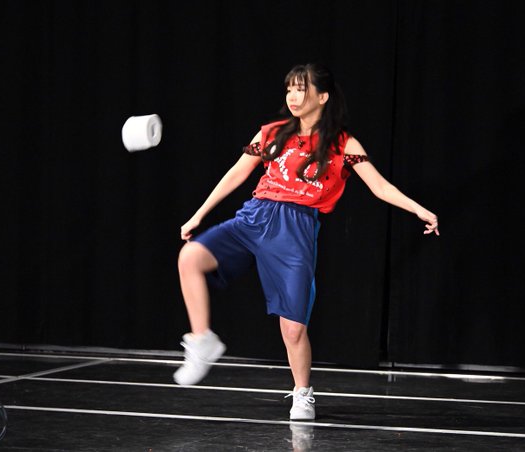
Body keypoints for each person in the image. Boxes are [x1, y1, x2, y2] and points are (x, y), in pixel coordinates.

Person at [173, 63, 439, 421]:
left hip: (294, 230)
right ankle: (202, 339)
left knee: (293, 327)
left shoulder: (342, 144)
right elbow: (237, 173)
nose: (293, 96)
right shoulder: (272, 133)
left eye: (301, 89)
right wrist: (199, 214)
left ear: (322, 96)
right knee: (190, 257)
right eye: (289, 89)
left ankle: (302, 393)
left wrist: (419, 209)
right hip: (254, 216)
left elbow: (379, 186)